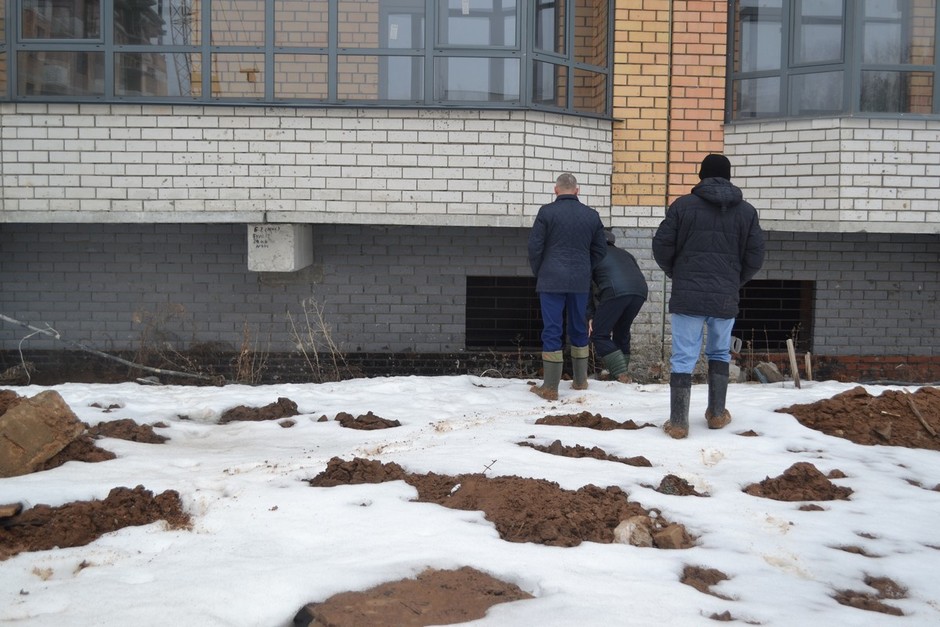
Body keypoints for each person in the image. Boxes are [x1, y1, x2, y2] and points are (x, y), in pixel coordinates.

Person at [652, 154, 765, 439]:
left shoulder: (682, 206)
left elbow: (661, 246)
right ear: (729, 176)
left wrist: (677, 273)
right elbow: (755, 256)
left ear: (701, 175)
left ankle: (679, 423)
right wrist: (733, 281)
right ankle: (716, 414)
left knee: (683, 357)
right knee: (719, 352)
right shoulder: (747, 212)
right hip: (724, 296)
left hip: (687, 295)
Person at [528, 173, 607, 400]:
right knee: (579, 326)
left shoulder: (546, 212)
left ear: (556, 190)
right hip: (580, 280)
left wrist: (541, 271)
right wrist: (585, 266)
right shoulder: (591, 215)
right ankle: (580, 381)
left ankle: (550, 388)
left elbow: (534, 247)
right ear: (577, 190)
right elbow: (600, 249)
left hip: (551, 279)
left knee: (552, 328)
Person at [588, 229, 648, 383]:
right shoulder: (625, 253)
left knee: (599, 334)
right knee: (622, 332)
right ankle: (620, 376)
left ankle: (621, 374)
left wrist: (590, 315)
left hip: (616, 291)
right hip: (640, 292)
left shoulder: (593, 255)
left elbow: (586, 287)